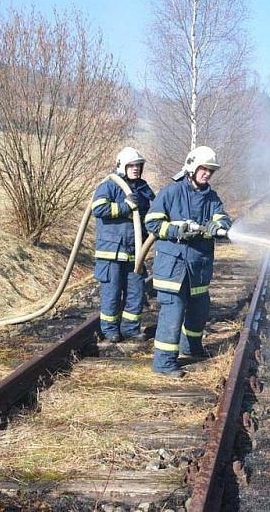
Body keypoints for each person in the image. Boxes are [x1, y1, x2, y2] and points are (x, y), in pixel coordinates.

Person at [144, 146, 232, 377]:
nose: (208, 174)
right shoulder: (170, 193)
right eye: (204, 169)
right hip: (173, 267)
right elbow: (152, 222)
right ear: (192, 168)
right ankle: (164, 363)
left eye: (211, 171)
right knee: (174, 312)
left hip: (198, 268)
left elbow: (223, 217)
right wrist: (177, 229)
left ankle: (191, 348)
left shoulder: (211, 198)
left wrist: (220, 225)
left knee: (199, 310)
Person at [91, 147, 155, 342]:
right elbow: (98, 208)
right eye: (132, 165)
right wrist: (124, 207)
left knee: (136, 292)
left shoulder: (143, 188)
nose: (136, 169)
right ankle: (110, 330)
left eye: (138, 165)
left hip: (135, 252)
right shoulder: (110, 185)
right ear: (122, 166)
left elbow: (151, 213)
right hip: (111, 253)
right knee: (111, 294)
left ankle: (130, 329)